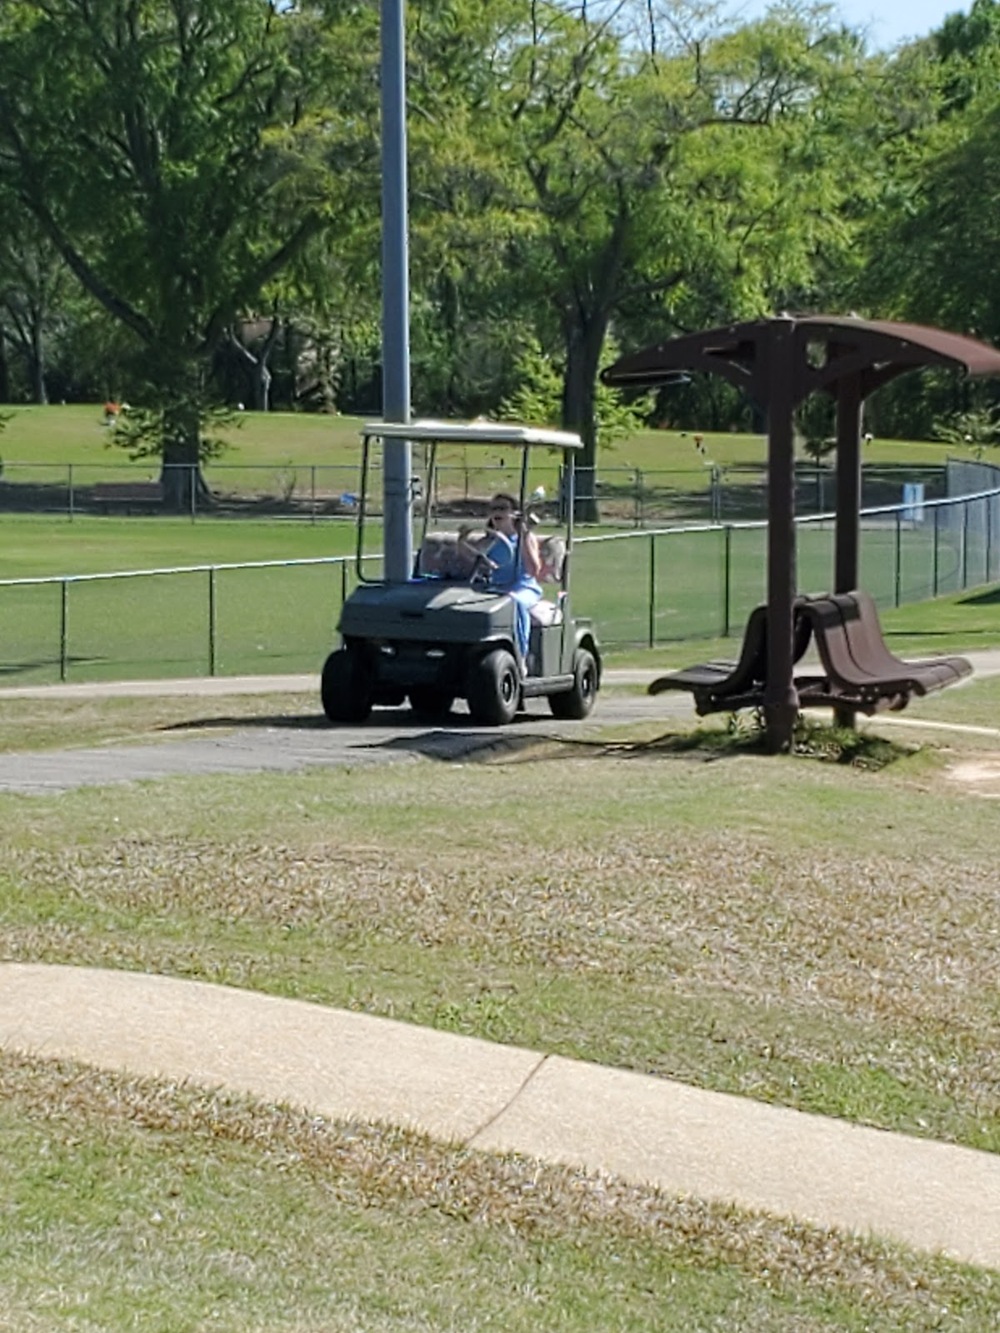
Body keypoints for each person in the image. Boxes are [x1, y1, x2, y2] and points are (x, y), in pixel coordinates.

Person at [477, 491, 544, 665]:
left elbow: (533, 570)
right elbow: (473, 562)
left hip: (523, 588)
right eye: (493, 508)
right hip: (496, 587)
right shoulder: (489, 540)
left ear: (514, 513)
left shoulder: (526, 537)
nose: (497, 512)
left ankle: (520, 656)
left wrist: (523, 535)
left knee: (515, 603)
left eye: (502, 508)